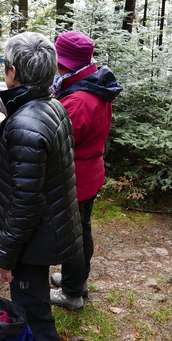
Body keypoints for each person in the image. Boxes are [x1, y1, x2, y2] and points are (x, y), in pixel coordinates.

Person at [0, 31, 82, 341]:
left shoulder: (27, 122)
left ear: (13, 72)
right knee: (35, 303)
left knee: (34, 314)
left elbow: (25, 202)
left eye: (4, 65)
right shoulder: (49, 105)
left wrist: (5, 256)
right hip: (46, 233)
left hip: (32, 239)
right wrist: (5, 133)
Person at [49, 31, 122, 310]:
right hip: (89, 171)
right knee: (80, 229)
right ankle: (75, 280)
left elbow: (61, 141)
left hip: (77, 176)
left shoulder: (78, 100)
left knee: (75, 233)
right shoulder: (93, 85)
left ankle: (72, 293)